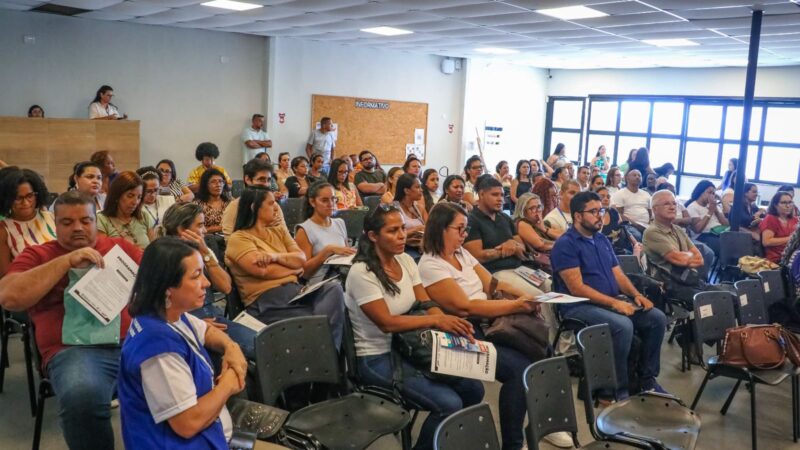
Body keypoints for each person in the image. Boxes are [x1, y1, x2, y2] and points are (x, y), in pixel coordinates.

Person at [420, 202, 571, 449]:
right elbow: (465, 307)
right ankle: (513, 443)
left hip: (489, 321)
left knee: (544, 353)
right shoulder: (431, 264)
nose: (464, 235)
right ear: (440, 229)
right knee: (518, 370)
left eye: (466, 229)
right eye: (459, 229)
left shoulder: (461, 253)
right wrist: (516, 305)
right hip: (464, 330)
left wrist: (525, 296)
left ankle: (544, 421)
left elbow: (491, 284)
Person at [0, 191, 143, 450]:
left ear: (95, 221)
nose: (77, 227)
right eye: (67, 223)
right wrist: (65, 261)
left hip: (133, 342)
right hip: (74, 351)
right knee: (82, 396)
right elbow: (9, 298)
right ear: (55, 224)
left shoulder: (119, 248)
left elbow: (158, 281)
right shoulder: (38, 255)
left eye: (85, 221)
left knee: (201, 364)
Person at [344, 204, 484, 450]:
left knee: (473, 388)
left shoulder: (406, 260)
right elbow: (386, 323)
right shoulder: (361, 272)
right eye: (393, 231)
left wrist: (448, 327)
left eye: (402, 229)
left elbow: (425, 301)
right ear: (373, 236)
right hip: (377, 358)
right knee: (448, 403)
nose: (402, 235)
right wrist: (435, 320)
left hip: (411, 345)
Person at [119, 238, 246, 449]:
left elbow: (208, 330)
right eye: (196, 276)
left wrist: (231, 348)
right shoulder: (158, 350)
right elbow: (187, 424)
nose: (206, 283)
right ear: (168, 287)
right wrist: (230, 381)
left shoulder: (169, 314)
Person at [551, 191, 668, 398]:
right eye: (593, 211)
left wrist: (635, 295)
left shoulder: (602, 240)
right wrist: (615, 303)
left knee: (656, 318)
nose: (600, 216)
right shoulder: (566, 244)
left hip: (608, 302)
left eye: (601, 210)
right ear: (578, 216)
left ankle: (646, 380)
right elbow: (577, 288)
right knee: (622, 326)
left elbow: (618, 275)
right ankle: (613, 391)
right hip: (578, 306)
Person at [225, 187, 345, 347]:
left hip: (296, 292)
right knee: (321, 319)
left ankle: (324, 354)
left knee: (334, 289)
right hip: (267, 301)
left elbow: (301, 259)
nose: (277, 207)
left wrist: (275, 257)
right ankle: (326, 357)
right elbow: (262, 271)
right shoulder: (239, 238)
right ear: (254, 207)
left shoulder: (279, 231)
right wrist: (294, 269)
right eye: (271, 203)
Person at [158, 203, 257, 360]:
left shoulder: (202, 250)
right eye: (200, 225)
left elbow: (225, 287)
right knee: (262, 348)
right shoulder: (163, 256)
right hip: (188, 320)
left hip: (211, 315)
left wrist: (205, 253)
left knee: (264, 343)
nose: (205, 230)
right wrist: (191, 324)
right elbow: (157, 306)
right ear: (182, 230)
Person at [463, 176, 550, 301]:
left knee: (550, 285)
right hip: (494, 272)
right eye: (495, 195)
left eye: (502, 195)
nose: (500, 199)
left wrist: (512, 244)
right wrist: (506, 249)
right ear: (481, 194)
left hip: (519, 267)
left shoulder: (505, 218)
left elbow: (521, 247)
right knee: (536, 296)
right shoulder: (472, 220)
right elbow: (477, 256)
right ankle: (546, 321)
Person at [644, 190, 716, 305]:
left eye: (674, 203)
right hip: (671, 286)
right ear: (655, 209)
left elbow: (700, 259)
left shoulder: (677, 229)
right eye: (666, 204)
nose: (672, 207)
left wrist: (685, 257)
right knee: (715, 302)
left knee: (731, 297)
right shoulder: (652, 232)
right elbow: (680, 260)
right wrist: (686, 256)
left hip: (690, 280)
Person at [295, 182, 355, 284]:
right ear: (312, 202)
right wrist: (328, 250)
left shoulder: (339, 223)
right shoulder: (304, 230)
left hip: (342, 277)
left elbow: (345, 254)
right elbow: (303, 273)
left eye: (333, 199)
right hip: (320, 284)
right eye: (324, 200)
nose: (331, 204)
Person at [0, 168, 55, 276]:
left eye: (30, 196)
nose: (25, 203)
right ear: (6, 199)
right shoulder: (3, 230)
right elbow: (6, 277)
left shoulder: (53, 217)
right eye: (18, 198)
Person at [221, 159, 284, 240]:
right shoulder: (234, 206)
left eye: (268, 180)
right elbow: (230, 241)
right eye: (261, 179)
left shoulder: (274, 205)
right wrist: (264, 228)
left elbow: (284, 235)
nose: (266, 185)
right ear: (247, 180)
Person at [97, 171, 155, 249]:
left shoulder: (143, 216)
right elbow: (104, 252)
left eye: (139, 197)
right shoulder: (101, 219)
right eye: (130, 196)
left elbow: (155, 250)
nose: (135, 202)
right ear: (117, 195)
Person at [685, 180, 728, 258]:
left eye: (713, 193)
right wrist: (710, 212)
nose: (712, 195)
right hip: (703, 235)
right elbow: (698, 229)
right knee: (725, 247)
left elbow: (726, 224)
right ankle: (725, 268)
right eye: (709, 192)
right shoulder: (693, 207)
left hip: (719, 232)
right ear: (701, 192)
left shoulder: (715, 206)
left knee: (736, 240)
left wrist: (716, 211)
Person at [760, 190, 799, 263]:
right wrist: (791, 239)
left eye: (790, 202)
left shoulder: (795, 220)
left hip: (792, 258)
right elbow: (767, 242)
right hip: (777, 260)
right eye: (783, 203)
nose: (788, 206)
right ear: (775, 205)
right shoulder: (771, 218)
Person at [394, 173, 428, 257]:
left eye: (421, 186)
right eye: (417, 187)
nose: (421, 190)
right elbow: (392, 234)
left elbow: (429, 229)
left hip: (421, 247)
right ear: (406, 190)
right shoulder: (394, 208)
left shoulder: (420, 208)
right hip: (403, 248)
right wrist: (416, 229)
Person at [610, 169, 651, 235]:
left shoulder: (646, 194)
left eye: (639, 175)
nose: (637, 177)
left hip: (646, 226)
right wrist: (636, 225)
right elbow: (618, 214)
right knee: (637, 235)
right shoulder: (620, 194)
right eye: (634, 175)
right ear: (627, 178)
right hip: (629, 226)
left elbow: (650, 213)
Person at [193, 168, 231, 235]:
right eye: (213, 182)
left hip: (227, 238)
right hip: (205, 239)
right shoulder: (197, 204)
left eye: (220, 181)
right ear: (206, 185)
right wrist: (219, 228)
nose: (218, 185)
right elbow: (196, 228)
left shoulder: (230, 203)